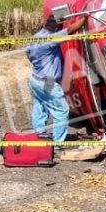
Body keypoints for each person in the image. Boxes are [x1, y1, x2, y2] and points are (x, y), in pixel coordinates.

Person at [25, 14, 70, 143]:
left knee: (40, 106)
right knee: (61, 111)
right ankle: (57, 144)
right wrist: (84, 18)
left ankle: (38, 135)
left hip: (36, 79)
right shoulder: (51, 39)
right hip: (47, 82)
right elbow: (71, 30)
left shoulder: (37, 36)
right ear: (56, 26)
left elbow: (28, 52)